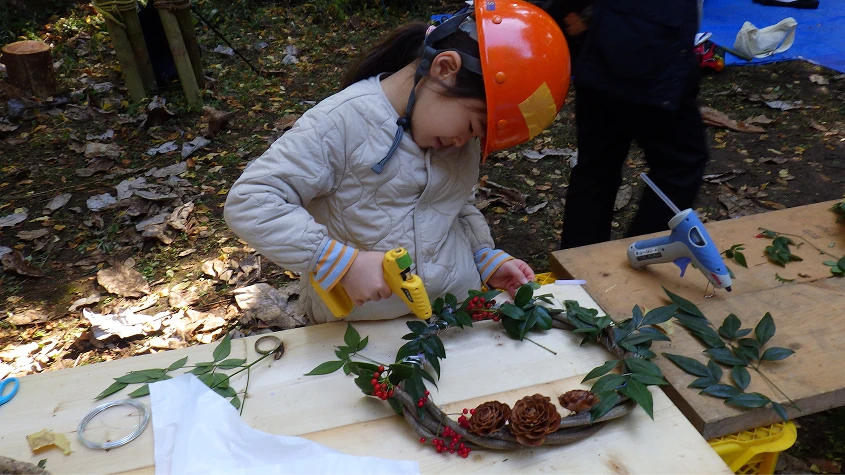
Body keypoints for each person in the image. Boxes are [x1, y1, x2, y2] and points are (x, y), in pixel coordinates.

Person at [224, 1, 570, 324]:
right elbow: (251, 201)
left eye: (477, 138)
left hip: (451, 320)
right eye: (470, 126)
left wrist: (483, 256)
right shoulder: (341, 122)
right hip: (362, 336)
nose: (463, 143)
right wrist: (340, 264)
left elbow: (454, 206)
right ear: (444, 69)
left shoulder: (451, 135)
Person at [546, 0, 710, 249]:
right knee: (680, 164)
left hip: (613, 39)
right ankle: (642, 253)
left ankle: (580, 259)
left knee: (597, 166)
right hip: (647, 42)